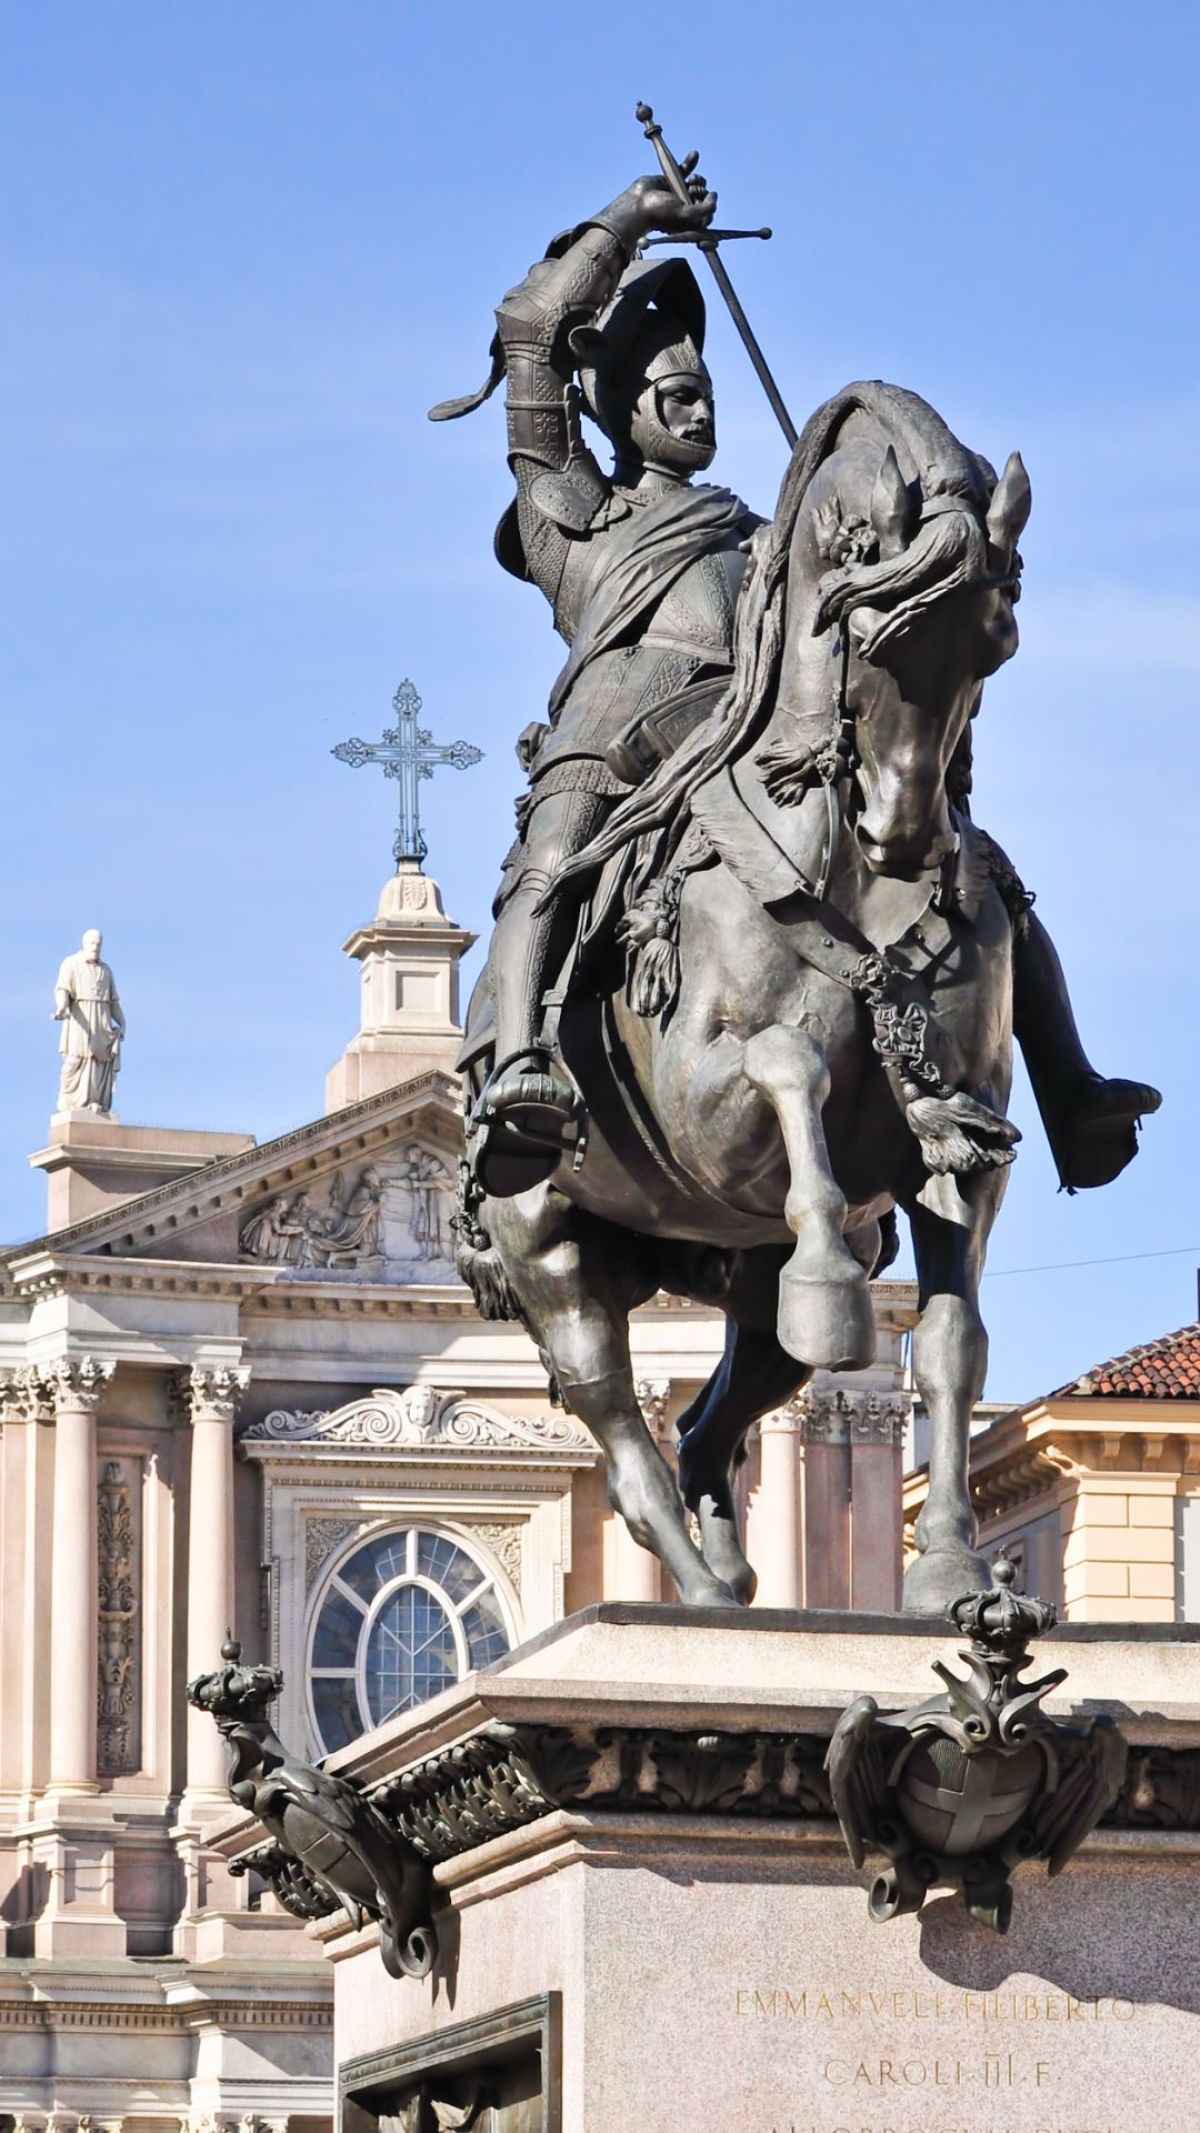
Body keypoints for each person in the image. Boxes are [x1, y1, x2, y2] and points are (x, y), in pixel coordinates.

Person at [437, 173, 1158, 1198]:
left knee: (980, 870)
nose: (699, 407)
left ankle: (1067, 1086)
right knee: (550, 859)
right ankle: (519, 1070)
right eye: (675, 394)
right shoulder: (576, 518)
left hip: (763, 735)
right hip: (621, 738)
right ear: (620, 407)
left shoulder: (761, 534)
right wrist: (630, 219)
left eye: (708, 395)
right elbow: (528, 332)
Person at [52, 928, 125, 1114]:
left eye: (99, 944)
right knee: (75, 1059)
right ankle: (68, 1099)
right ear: (84, 943)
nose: (96, 947)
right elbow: (62, 989)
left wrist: (122, 1023)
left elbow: (113, 1002)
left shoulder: (105, 970)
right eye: (92, 943)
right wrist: (62, 1006)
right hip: (80, 1018)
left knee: (99, 1062)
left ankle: (95, 1101)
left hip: (101, 1020)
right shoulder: (71, 963)